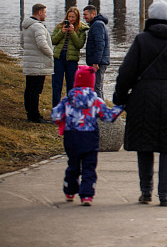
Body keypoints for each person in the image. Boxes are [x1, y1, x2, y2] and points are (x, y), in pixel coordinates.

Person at [113, 1, 167, 207]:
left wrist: (120, 98)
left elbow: (126, 72)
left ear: (151, 17)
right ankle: (165, 194)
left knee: (145, 144)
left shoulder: (142, 40)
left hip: (143, 97)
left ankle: (146, 191)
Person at [51, 65, 123, 206]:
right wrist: (120, 107)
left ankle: (70, 191)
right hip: (90, 138)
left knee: (73, 165)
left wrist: (63, 119)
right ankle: (86, 195)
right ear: (91, 82)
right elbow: (108, 117)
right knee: (89, 167)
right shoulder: (95, 100)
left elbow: (56, 116)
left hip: (71, 137)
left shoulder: (67, 99)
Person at [22, 3, 54, 123]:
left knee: (29, 89)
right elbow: (42, 44)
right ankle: (35, 116)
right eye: (45, 12)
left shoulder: (26, 26)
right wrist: (51, 54)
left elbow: (22, 43)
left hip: (29, 62)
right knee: (35, 90)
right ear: (39, 13)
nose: (46, 15)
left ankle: (29, 113)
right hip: (38, 63)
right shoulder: (38, 27)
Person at [51, 7, 88, 107]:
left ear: (77, 18)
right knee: (56, 84)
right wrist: (62, 32)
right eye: (69, 16)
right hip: (59, 58)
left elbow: (79, 45)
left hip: (72, 60)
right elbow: (53, 41)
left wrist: (72, 33)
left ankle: (70, 109)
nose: (71, 19)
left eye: (73, 17)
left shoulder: (81, 29)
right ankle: (56, 109)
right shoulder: (60, 26)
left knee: (71, 85)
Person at [83, 5, 110, 99]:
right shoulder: (97, 24)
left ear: (93, 14)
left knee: (96, 88)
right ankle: (100, 109)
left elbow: (100, 45)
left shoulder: (97, 25)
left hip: (98, 62)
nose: (84, 17)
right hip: (99, 61)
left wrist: (96, 62)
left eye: (86, 14)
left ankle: (100, 110)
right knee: (97, 87)